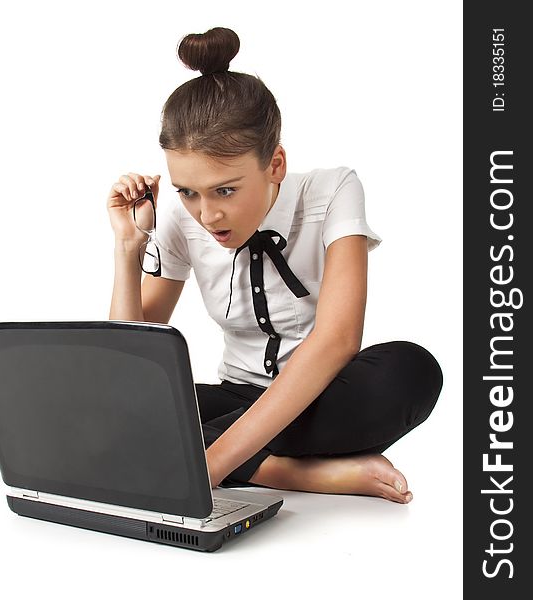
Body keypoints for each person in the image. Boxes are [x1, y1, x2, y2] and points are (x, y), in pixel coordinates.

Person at [107, 27, 443, 504]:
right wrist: (128, 246)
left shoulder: (332, 192)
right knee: (115, 409)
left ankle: (227, 455)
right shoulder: (180, 219)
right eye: (187, 191)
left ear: (276, 164)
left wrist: (209, 468)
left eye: (226, 190)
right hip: (236, 397)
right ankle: (301, 473)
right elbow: (129, 366)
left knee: (410, 371)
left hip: (322, 399)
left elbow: (337, 341)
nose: (207, 215)